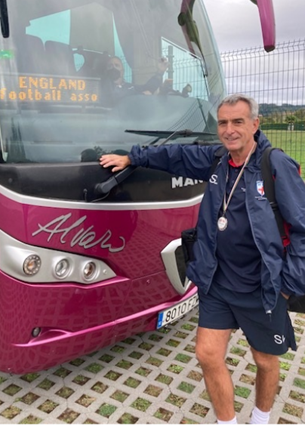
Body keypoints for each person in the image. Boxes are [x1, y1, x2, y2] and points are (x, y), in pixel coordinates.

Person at [99, 93, 305, 425]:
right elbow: (175, 156)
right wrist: (132, 157)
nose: (229, 129)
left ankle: (261, 418)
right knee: (207, 354)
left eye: (238, 121)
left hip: (263, 287)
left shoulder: (275, 164)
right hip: (217, 280)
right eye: (223, 122)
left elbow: (302, 229)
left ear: (255, 123)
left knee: (265, 360)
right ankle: (228, 422)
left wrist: (289, 286)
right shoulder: (217, 159)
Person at [102, 55, 168, 101]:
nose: (113, 67)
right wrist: (141, 95)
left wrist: (160, 72)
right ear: (106, 71)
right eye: (110, 66)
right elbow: (116, 96)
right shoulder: (103, 87)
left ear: (122, 71)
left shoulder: (130, 87)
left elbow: (148, 88)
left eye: (117, 65)